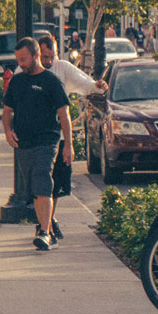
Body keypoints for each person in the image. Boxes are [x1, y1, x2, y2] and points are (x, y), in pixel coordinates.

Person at [1, 37, 73, 252]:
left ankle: (43, 232)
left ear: (35, 55)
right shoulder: (17, 81)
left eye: (24, 59)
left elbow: (64, 114)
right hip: (23, 144)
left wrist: (68, 145)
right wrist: (7, 131)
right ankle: (49, 231)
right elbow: (6, 112)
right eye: (18, 60)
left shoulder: (51, 82)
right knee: (34, 190)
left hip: (47, 142)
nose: (21, 64)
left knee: (43, 183)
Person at [36, 34, 105, 244]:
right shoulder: (28, 71)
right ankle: (44, 225)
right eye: (44, 57)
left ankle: (46, 223)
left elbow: (84, 83)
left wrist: (97, 85)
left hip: (58, 133)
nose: (48, 62)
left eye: (52, 56)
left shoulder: (62, 68)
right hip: (36, 135)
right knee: (41, 183)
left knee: (55, 182)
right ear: (37, 54)